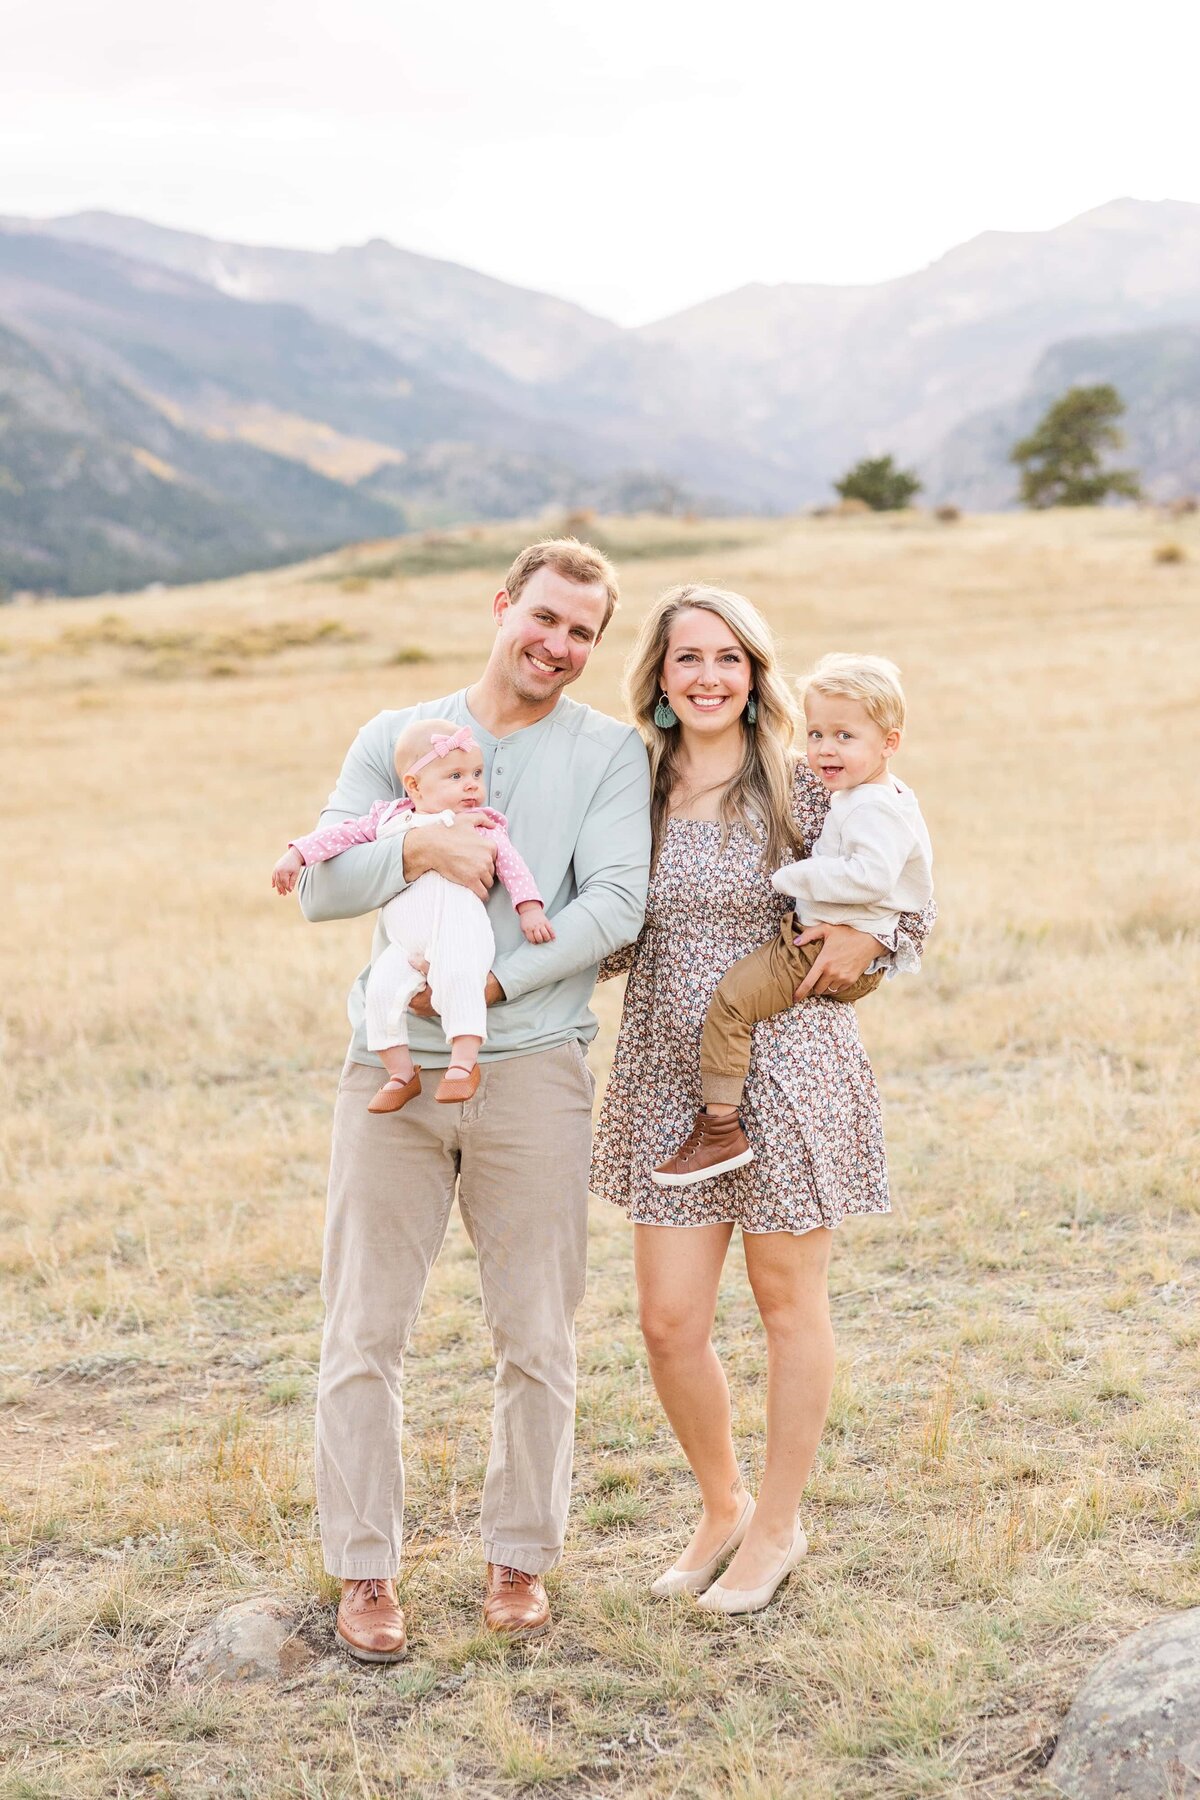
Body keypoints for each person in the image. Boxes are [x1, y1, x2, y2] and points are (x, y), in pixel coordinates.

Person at [298, 538, 651, 1661]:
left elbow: (615, 906)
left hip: (536, 1067)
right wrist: (421, 845)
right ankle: (364, 1573)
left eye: (582, 633)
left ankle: (519, 1560)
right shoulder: (394, 739)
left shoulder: (607, 754)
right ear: (502, 606)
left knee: (536, 1332)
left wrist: (491, 985)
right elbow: (320, 884)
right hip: (388, 1069)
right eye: (542, 617)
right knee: (363, 1329)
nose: (556, 645)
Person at [590, 585, 934, 1616]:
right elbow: (609, 934)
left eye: (728, 659)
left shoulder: (805, 782)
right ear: (657, 675)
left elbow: (904, 903)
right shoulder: (632, 792)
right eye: (687, 657)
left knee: (786, 1305)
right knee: (666, 1321)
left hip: (787, 1070)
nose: (707, 676)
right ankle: (722, 1501)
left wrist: (867, 943)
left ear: (754, 675)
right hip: (661, 1072)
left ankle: (778, 1524)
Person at [652, 652, 933, 1186]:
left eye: (844, 736)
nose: (826, 749)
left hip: (799, 1034)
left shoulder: (828, 790)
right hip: (663, 1061)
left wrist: (866, 938)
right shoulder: (636, 778)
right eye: (819, 733)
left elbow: (904, 894)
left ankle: (719, 1131)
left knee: (731, 1001)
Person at [273, 718, 553, 1112]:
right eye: (455, 775)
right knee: (381, 991)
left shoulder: (480, 824)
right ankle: (401, 1073)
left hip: (459, 930)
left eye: (476, 773)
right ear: (414, 785)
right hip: (405, 942)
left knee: (459, 977)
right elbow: (339, 836)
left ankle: (462, 1064)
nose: (472, 784)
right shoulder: (386, 819)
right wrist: (297, 854)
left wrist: (529, 909)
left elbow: (513, 867)